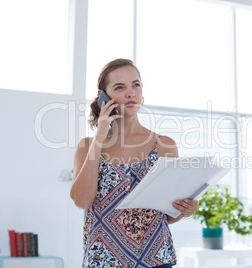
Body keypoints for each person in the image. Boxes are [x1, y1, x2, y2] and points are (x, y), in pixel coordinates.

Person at [70, 58, 199, 268]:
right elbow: (82, 201)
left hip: (156, 259)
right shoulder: (87, 146)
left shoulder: (164, 145)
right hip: (103, 260)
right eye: (120, 87)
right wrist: (100, 137)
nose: (131, 93)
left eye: (135, 85)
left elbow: (165, 216)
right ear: (103, 96)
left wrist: (183, 210)